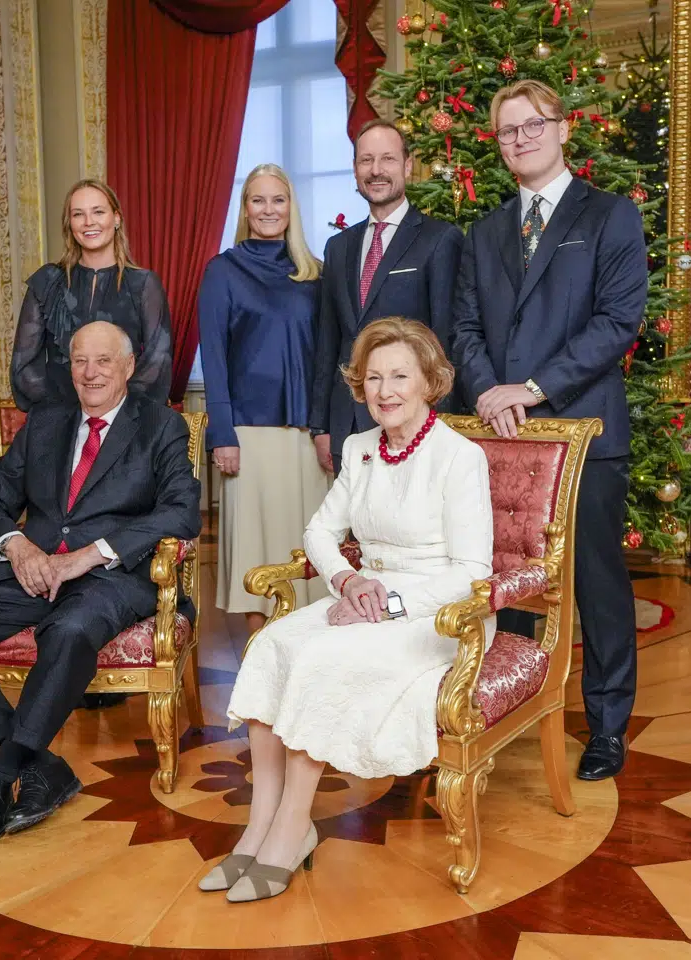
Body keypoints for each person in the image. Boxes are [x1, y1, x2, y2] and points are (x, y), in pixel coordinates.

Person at [205, 318, 494, 904]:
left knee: (319, 659)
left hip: (440, 615)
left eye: (400, 377)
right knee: (272, 645)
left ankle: (292, 829)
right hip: (365, 591)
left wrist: (385, 601)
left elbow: (471, 572)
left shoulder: (460, 457)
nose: (385, 390)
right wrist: (345, 578)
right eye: (373, 378)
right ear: (359, 386)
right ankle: (259, 825)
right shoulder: (361, 449)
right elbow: (318, 532)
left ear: (430, 382)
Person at [0, 321, 201, 850]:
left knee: (67, 630)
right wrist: (17, 546)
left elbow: (181, 513)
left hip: (112, 576)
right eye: (80, 360)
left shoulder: (160, 426)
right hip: (31, 569)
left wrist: (88, 557)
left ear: (128, 367)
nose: (90, 373)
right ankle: (44, 765)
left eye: (104, 361)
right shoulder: (46, 422)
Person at [452, 79, 648, 782]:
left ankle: (606, 727)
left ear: (563, 130)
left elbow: (617, 323)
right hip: (502, 438)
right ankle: (509, 705)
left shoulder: (610, 217)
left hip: (584, 431)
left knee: (595, 582)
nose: (520, 139)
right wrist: (484, 391)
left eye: (532, 125)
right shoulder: (487, 230)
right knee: (505, 580)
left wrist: (532, 390)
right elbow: (466, 327)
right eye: (507, 131)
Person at [198, 164, 331, 637]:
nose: (269, 209)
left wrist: (325, 427)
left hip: (308, 435)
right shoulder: (223, 271)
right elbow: (213, 358)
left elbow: (327, 358)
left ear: (291, 206)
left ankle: (313, 665)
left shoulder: (314, 273)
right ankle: (262, 662)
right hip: (249, 436)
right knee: (260, 555)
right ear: (245, 208)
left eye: (279, 199)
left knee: (310, 551)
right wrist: (222, 435)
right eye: (259, 200)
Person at [311, 120, 464, 475]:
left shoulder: (440, 240)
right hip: (346, 425)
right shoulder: (338, 247)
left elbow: (446, 343)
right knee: (350, 530)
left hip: (412, 423)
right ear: (355, 169)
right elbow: (327, 342)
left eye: (387, 159)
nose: (376, 170)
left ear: (407, 166)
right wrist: (320, 424)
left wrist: (442, 423)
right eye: (366, 161)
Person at [10, 179, 173, 409]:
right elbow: (23, 366)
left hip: (126, 421)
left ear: (116, 218)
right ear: (70, 224)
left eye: (98, 211)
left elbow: (158, 362)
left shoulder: (144, 284)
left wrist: (111, 413)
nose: (88, 222)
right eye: (78, 214)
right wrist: (68, 413)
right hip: (56, 420)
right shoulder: (47, 281)